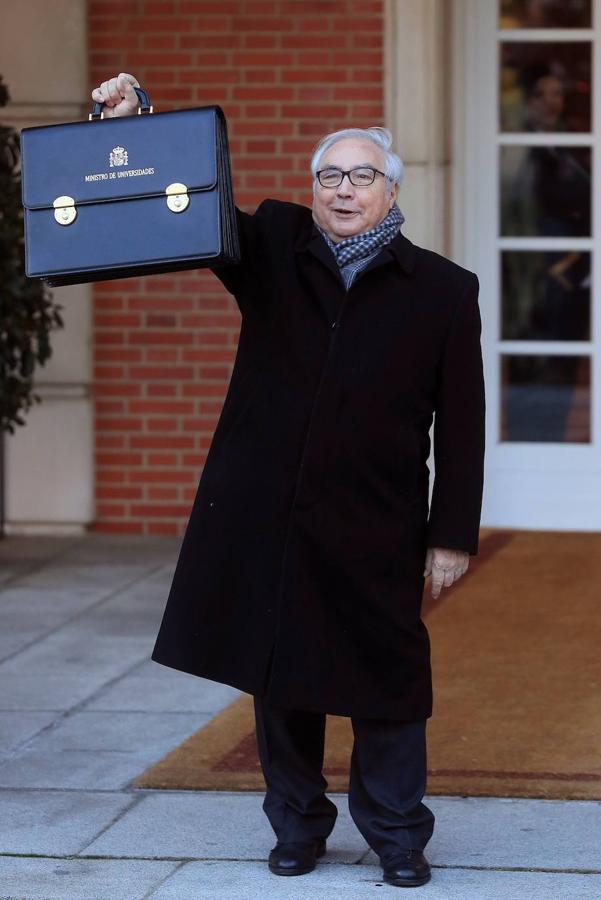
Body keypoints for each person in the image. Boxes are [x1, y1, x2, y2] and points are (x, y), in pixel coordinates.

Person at [92, 72, 486, 889]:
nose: (343, 190)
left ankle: (398, 835)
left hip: (376, 517)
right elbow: (191, 204)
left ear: (390, 190)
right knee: (281, 681)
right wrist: (138, 121)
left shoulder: (444, 291)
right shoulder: (273, 246)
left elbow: (465, 423)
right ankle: (297, 827)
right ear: (312, 190)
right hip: (269, 514)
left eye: (361, 175)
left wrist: (450, 535)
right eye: (329, 176)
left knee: (386, 686)